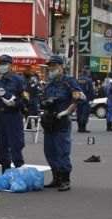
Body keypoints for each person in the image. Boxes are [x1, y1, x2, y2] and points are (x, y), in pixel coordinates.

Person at [40, 55, 84, 192]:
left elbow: (79, 98)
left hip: (62, 120)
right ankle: (56, 177)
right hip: (49, 120)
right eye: (50, 66)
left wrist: (67, 111)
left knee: (62, 151)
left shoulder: (69, 81)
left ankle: (65, 180)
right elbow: (44, 99)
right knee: (49, 151)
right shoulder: (49, 83)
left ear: (61, 66)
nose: (52, 68)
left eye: (55, 65)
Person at [0, 54, 29, 174]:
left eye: (5, 64)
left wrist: (14, 103)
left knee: (15, 145)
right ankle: (6, 174)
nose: (2, 66)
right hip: (1, 116)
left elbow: (26, 99)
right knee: (2, 147)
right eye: (0, 64)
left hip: (13, 115)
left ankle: (20, 174)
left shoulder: (18, 80)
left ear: (10, 65)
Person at [76, 66, 94, 133]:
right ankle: (83, 128)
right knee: (85, 113)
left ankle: (79, 127)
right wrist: (91, 99)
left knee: (79, 113)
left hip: (79, 99)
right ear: (87, 72)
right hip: (86, 99)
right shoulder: (89, 80)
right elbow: (91, 91)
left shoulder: (78, 79)